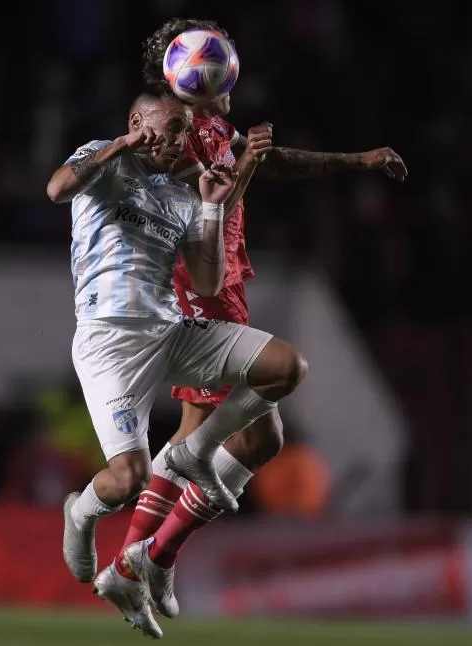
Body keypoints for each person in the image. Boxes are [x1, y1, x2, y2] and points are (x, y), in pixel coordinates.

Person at [112, 16, 409, 620]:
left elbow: (272, 163)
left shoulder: (215, 127)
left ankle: (143, 558)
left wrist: (358, 158)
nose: (232, 86)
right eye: (222, 73)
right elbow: (204, 205)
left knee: (217, 433)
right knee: (244, 434)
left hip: (227, 290)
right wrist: (248, 165)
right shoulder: (174, 133)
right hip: (201, 289)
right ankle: (147, 557)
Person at [46, 86, 307, 639]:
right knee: (128, 478)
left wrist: (214, 207)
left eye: (181, 131)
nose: (174, 141)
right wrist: (120, 145)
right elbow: (56, 188)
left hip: (169, 334)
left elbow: (208, 280)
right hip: (109, 343)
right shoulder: (102, 158)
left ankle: (194, 451)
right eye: (164, 128)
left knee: (286, 367)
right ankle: (83, 514)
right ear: (137, 121)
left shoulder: (182, 195)